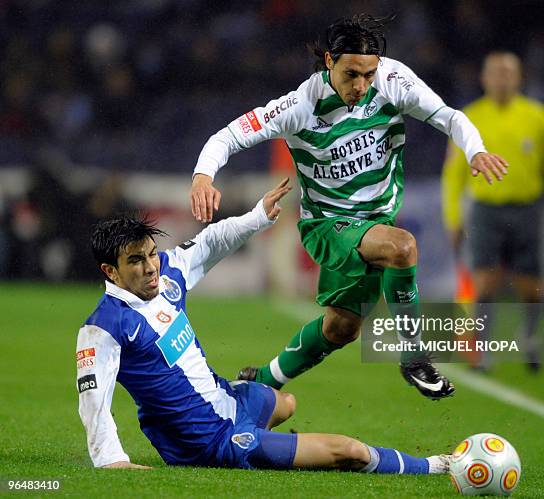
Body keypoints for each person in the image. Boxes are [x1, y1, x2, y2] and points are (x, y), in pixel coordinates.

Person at [190, 15, 509, 399]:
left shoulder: (393, 81)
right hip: (328, 224)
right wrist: (203, 176)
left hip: (377, 217)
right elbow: (227, 137)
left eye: (368, 75)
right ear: (329, 62)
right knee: (402, 247)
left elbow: (450, 117)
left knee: (341, 328)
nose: (360, 85)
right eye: (351, 74)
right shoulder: (299, 106)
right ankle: (415, 357)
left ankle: (262, 381)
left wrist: (475, 150)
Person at [76, 180, 451, 474]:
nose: (150, 267)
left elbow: (209, 242)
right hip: (210, 441)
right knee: (348, 451)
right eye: (136, 261)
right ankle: (439, 465)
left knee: (286, 403)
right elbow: (94, 400)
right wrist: (111, 458)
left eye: (151, 254)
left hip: (225, 398)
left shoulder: (166, 277)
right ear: (111, 271)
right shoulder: (105, 327)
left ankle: (264, 438)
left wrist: (258, 216)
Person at [441, 52, 544, 370]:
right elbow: (453, 172)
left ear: (519, 78)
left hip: (526, 208)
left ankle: (529, 336)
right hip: (486, 210)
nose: (502, 78)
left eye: (508, 72)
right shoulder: (469, 118)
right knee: (485, 281)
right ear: (484, 79)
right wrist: (453, 218)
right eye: (495, 73)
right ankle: (483, 350)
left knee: (531, 285)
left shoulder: (538, 117)